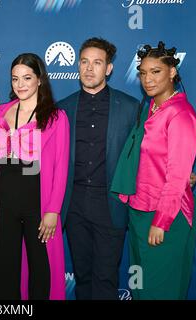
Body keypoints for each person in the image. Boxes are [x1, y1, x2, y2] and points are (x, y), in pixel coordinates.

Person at [0, 53, 69, 300]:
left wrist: (53, 210)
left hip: (37, 202)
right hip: (4, 201)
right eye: (15, 79)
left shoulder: (56, 117)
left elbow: (61, 168)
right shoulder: (2, 111)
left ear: (40, 80)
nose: (20, 84)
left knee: (40, 268)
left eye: (27, 78)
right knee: (5, 267)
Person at [113, 41, 196, 299]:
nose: (147, 79)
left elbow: (176, 177)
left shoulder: (181, 115)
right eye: (143, 73)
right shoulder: (151, 107)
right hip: (139, 211)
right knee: (140, 288)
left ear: (172, 72)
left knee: (161, 290)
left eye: (156, 72)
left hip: (164, 218)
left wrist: (161, 222)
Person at [56, 38, 140, 300]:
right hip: (75, 206)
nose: (89, 69)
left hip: (111, 204)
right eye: (84, 62)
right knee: (82, 276)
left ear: (109, 69)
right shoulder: (63, 109)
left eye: (97, 62)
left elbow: (144, 155)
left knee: (105, 279)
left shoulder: (129, 108)